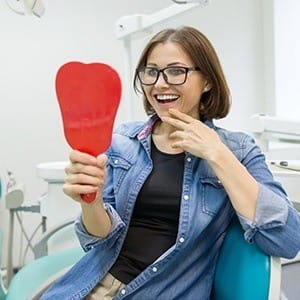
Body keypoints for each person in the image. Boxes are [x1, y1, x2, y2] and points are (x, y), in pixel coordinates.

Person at [40, 26, 300, 300]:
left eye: (176, 71)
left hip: (164, 291)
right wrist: (89, 202)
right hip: (92, 285)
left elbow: (287, 239)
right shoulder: (123, 142)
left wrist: (217, 153)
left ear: (208, 81)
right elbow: (100, 239)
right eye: (151, 72)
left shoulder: (239, 149)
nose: (160, 83)